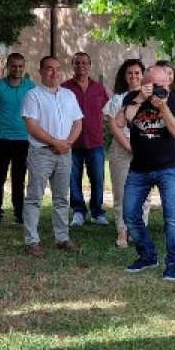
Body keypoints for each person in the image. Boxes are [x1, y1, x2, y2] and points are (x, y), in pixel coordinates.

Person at [114, 64, 175, 281]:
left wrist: (163, 108)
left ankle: (174, 263)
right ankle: (147, 255)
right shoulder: (133, 97)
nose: (158, 88)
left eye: (163, 84)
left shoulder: (174, 99)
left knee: (171, 216)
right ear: (145, 84)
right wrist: (138, 99)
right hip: (140, 167)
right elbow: (118, 122)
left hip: (168, 167)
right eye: (153, 85)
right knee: (129, 214)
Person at [20, 56, 83, 257]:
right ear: (41, 71)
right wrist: (56, 142)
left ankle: (62, 238)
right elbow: (31, 125)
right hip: (42, 153)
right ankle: (32, 240)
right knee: (34, 198)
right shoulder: (33, 95)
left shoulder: (69, 95)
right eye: (49, 69)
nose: (54, 73)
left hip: (65, 153)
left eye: (57, 69)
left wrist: (68, 143)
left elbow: (77, 123)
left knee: (62, 198)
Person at [103, 59, 150, 249]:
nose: (134, 76)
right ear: (124, 76)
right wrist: (131, 148)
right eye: (130, 73)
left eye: (137, 73)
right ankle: (122, 230)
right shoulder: (117, 99)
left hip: (146, 151)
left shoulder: (150, 98)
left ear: (143, 75)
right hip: (122, 150)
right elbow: (115, 128)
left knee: (144, 194)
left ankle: (140, 229)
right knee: (121, 193)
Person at [0, 53, 35, 230]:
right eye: (14, 66)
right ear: (8, 66)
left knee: (19, 179)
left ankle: (19, 213)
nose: (17, 69)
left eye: (20, 66)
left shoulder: (30, 87)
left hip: (23, 140)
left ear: (24, 67)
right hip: (1, 139)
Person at [63, 51, 110, 227]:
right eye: (77, 63)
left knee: (97, 178)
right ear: (72, 65)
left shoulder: (98, 88)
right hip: (72, 141)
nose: (81, 66)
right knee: (73, 178)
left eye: (84, 63)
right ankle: (78, 212)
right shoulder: (65, 88)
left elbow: (106, 112)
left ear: (89, 66)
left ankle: (97, 212)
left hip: (95, 140)